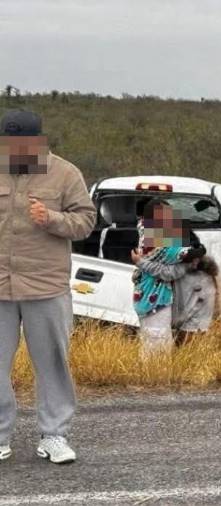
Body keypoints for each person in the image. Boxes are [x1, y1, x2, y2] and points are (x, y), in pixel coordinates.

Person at [0, 110, 96, 464]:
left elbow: (86, 221)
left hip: (46, 285)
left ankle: (54, 435)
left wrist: (52, 219)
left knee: (52, 363)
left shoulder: (65, 173)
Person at [131, 199, 205, 356]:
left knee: (152, 341)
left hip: (147, 298)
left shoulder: (147, 232)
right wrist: (194, 257)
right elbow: (182, 257)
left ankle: (151, 374)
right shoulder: (158, 242)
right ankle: (156, 377)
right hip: (155, 300)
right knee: (157, 343)